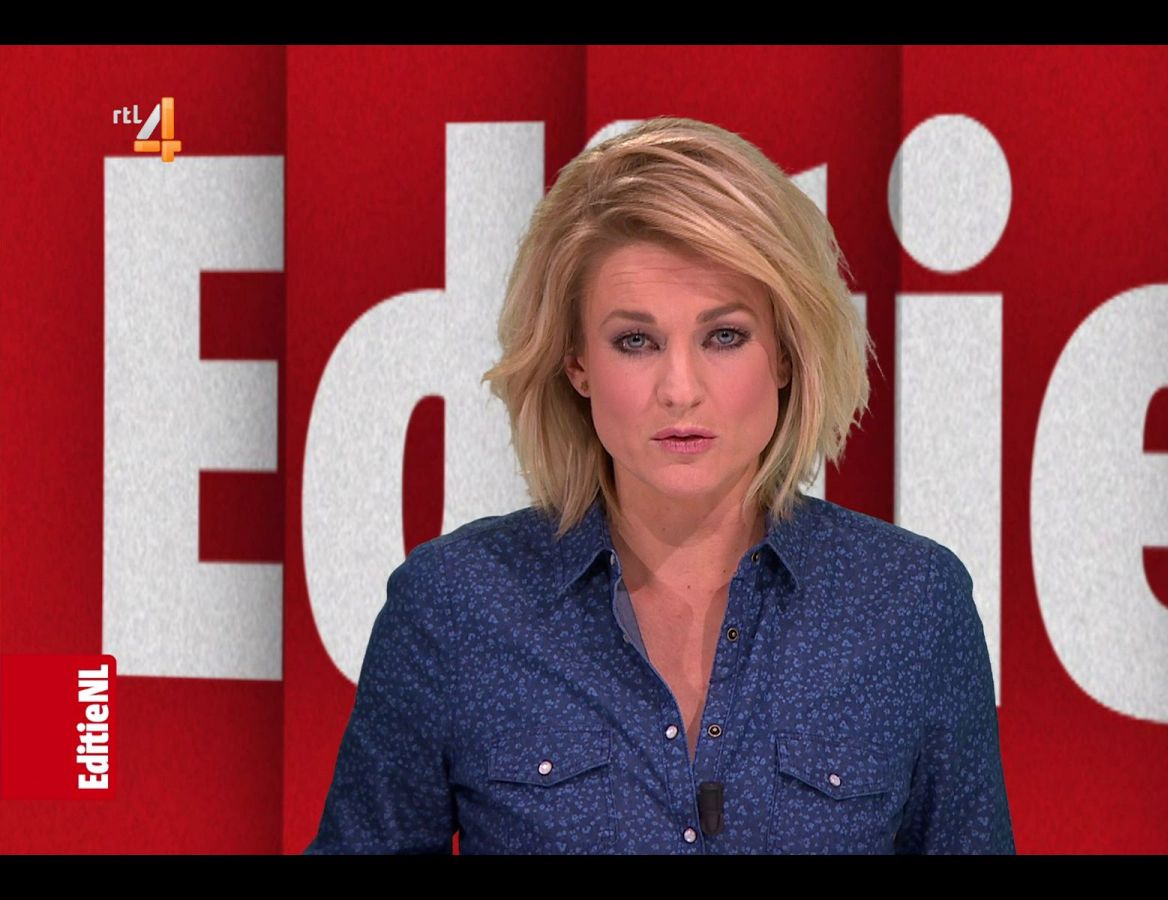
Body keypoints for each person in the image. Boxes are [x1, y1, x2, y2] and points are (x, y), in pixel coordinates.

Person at [305, 116, 1014, 855]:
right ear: (577, 364)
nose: (680, 388)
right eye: (635, 341)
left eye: (724, 336)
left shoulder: (910, 605)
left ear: (785, 354)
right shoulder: (456, 606)